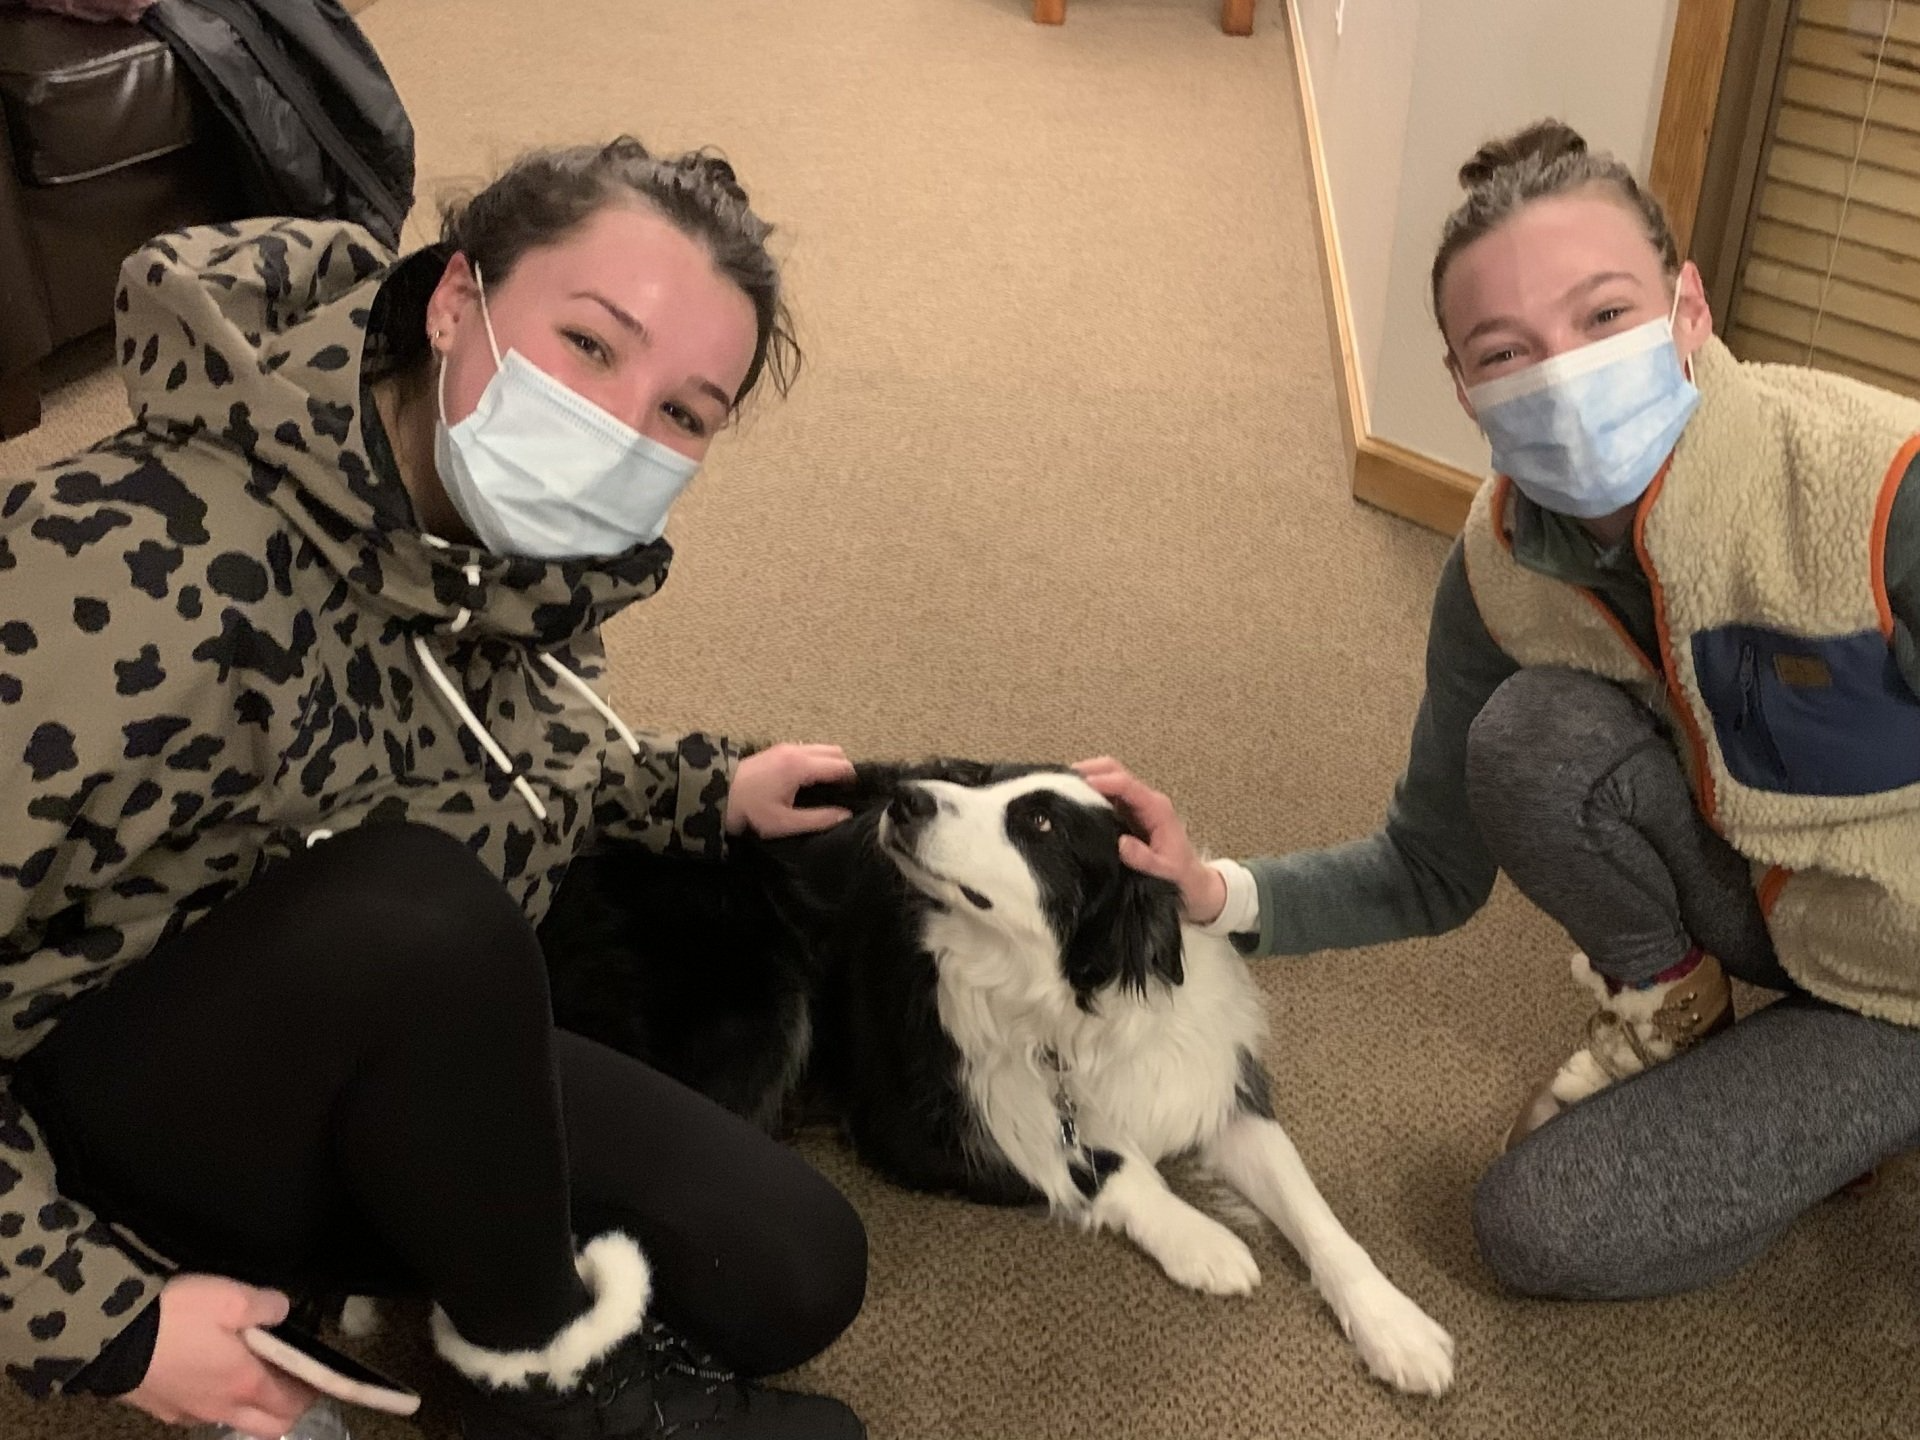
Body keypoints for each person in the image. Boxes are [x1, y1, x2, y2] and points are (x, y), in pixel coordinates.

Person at [0, 137, 869, 1439]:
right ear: (457, 299)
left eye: (685, 414)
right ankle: (537, 1380)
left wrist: (703, 790)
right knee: (427, 902)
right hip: (94, 1096)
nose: (618, 432)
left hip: (354, 1030)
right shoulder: (123, 564)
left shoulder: (504, 552)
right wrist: (95, 1317)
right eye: (591, 343)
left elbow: (492, 755)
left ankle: (464, 1283)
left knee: (794, 1268)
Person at [1079, 118, 1920, 1303]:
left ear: (1688, 308)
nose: (1564, 375)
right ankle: (1680, 1005)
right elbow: (1427, 868)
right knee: (1530, 738)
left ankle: (1856, 1093)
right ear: (1467, 392)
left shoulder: (1876, 485)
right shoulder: (1500, 568)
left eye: (1605, 314)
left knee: (1559, 1225)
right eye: (1507, 350)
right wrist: (1213, 894)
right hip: (1772, 898)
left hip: (1906, 976)